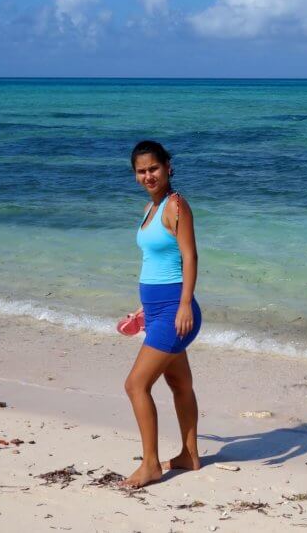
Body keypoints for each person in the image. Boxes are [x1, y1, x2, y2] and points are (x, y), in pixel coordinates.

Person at [120, 140, 203, 488]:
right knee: (179, 383)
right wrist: (144, 308)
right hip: (157, 310)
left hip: (175, 311)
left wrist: (184, 303)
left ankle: (151, 464)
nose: (148, 176)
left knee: (135, 385)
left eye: (153, 168)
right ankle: (189, 455)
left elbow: (190, 256)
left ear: (168, 166)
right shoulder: (149, 208)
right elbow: (156, 262)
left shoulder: (176, 206)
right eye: (141, 171)